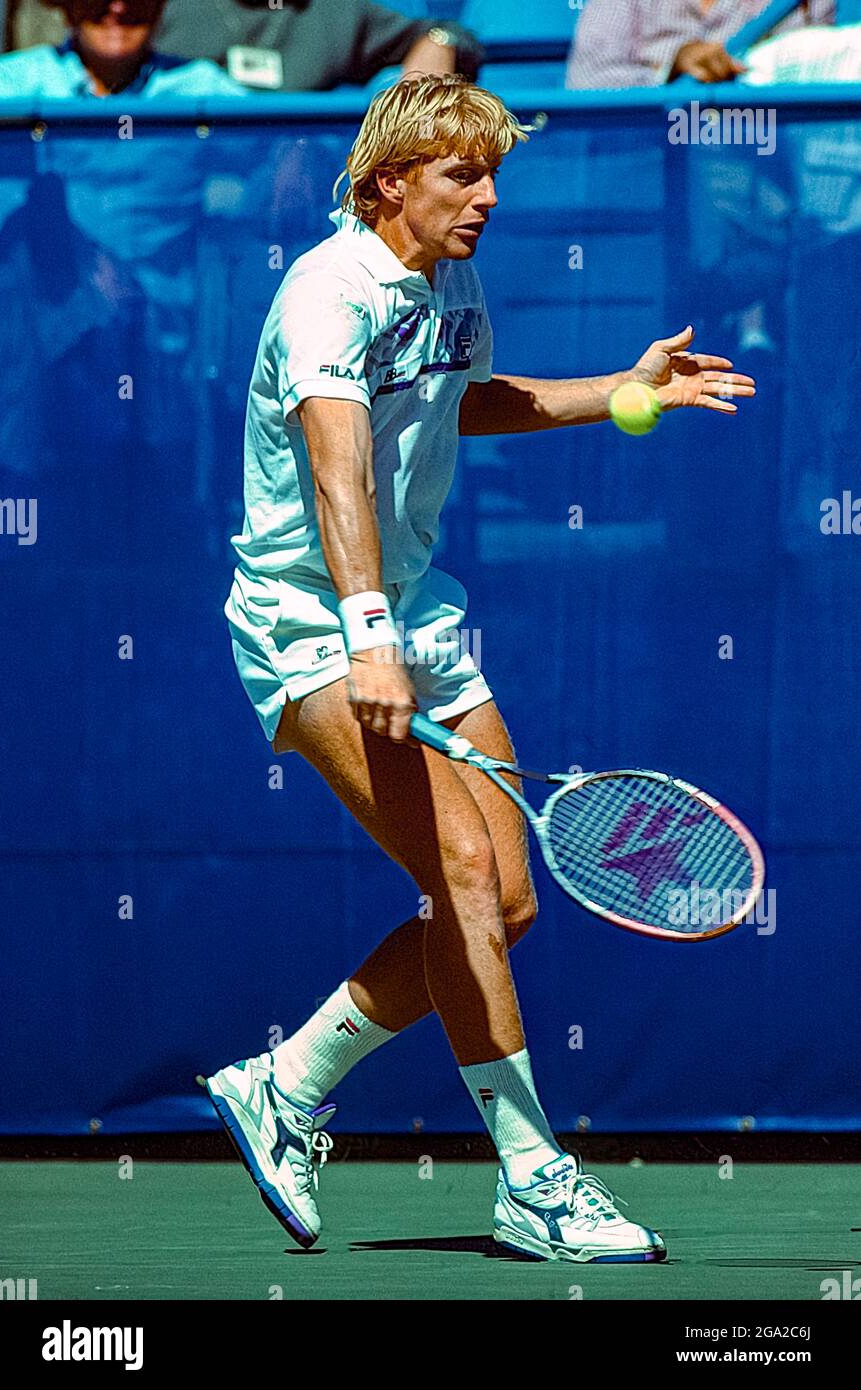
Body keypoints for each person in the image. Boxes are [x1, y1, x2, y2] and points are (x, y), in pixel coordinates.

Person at [209, 73, 755, 1263]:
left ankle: (284, 1081)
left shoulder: (446, 279)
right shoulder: (323, 296)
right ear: (386, 183)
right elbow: (337, 470)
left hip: (420, 611)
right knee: (458, 868)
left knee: (500, 898)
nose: (487, 197)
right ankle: (534, 1178)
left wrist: (618, 391)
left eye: (494, 173)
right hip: (313, 622)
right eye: (462, 174)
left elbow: (459, 402)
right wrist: (364, 635)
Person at [151, 0, 482, 91]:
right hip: (182, 199)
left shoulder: (335, 11)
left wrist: (437, 46)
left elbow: (450, 35)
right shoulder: (163, 10)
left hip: (301, 194)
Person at [567, 0, 835, 90]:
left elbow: (812, 80)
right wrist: (670, 73)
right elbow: (585, 83)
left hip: (762, 166)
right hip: (650, 168)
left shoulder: (808, 5)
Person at [0, 0, 246, 94]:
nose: (119, 8)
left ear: (160, 7)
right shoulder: (8, 86)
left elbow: (274, 156)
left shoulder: (200, 86)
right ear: (69, 6)